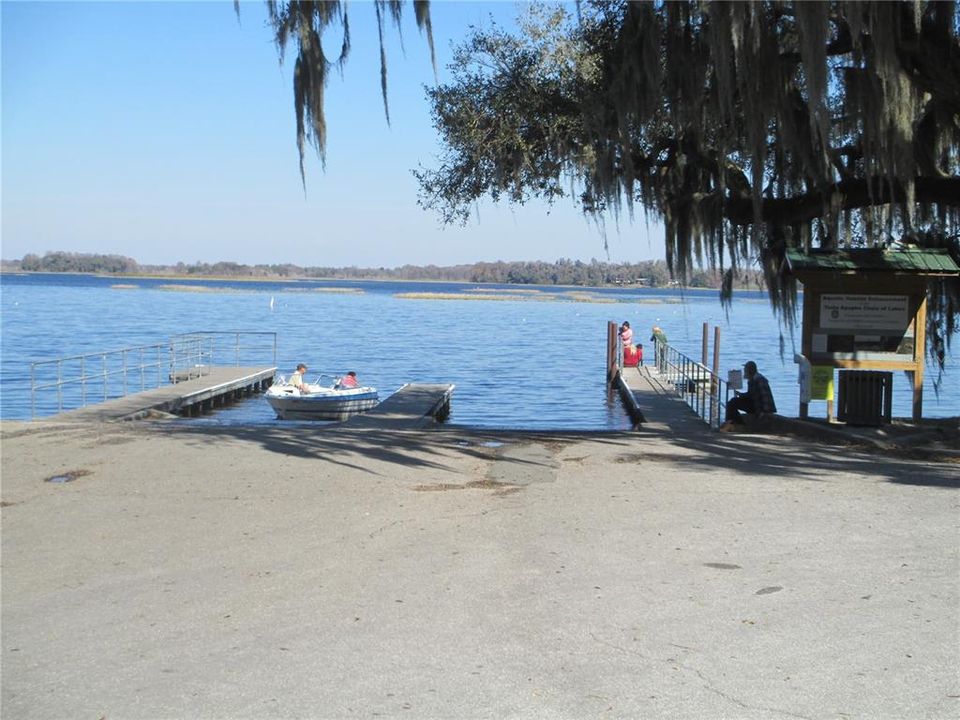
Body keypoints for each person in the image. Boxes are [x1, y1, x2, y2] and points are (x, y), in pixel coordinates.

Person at [723, 360, 776, 428]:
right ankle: (733, 423)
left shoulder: (759, 380)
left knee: (732, 403)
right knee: (732, 402)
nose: (744, 372)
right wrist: (740, 394)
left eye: (745, 370)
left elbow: (765, 396)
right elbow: (751, 394)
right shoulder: (752, 380)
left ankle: (738, 424)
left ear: (750, 371)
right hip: (755, 404)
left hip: (758, 407)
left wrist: (764, 412)